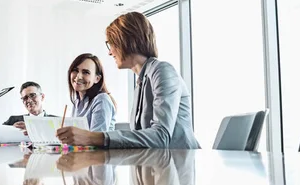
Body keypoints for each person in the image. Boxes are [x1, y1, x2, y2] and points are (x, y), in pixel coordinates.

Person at [56, 12, 200, 149]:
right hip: (156, 166)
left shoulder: (162, 71)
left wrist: (93, 137)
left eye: (111, 43)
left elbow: (161, 137)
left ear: (127, 41)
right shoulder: (141, 82)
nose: (109, 51)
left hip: (180, 165)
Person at [67, 53, 116, 132]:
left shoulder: (102, 100)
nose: (78, 77)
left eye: (86, 72)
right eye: (75, 70)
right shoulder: (77, 102)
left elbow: (96, 139)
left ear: (97, 79)